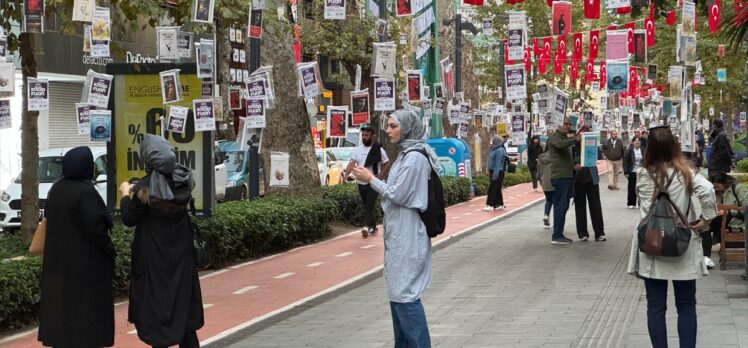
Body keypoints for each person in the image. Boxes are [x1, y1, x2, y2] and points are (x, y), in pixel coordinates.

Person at [351, 109, 436, 347]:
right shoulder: (405, 155)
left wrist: (371, 180)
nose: (387, 130)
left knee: (405, 296)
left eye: (393, 126)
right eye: (388, 126)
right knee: (397, 296)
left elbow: (398, 193)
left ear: (407, 128)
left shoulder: (415, 158)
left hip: (409, 235)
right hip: (399, 234)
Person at [628, 126, 717, 348]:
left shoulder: (643, 174)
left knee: (655, 306)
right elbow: (708, 191)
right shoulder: (687, 173)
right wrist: (706, 219)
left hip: (652, 242)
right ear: (675, 147)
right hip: (681, 242)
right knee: (686, 304)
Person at [119, 135, 204, 348]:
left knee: (157, 304)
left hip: (154, 258)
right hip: (181, 256)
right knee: (182, 300)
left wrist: (124, 195)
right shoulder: (183, 181)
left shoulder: (144, 189)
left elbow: (129, 218)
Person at [38, 147, 115, 348]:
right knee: (86, 321)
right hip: (86, 269)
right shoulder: (85, 191)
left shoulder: (56, 189)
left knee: (62, 318)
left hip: (58, 266)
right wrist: (110, 250)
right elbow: (96, 229)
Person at [344, 125, 391, 238]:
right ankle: (373, 227)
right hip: (361, 182)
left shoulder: (378, 149)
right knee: (367, 205)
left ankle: (366, 226)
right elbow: (352, 162)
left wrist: (381, 175)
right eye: (363, 135)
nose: (364, 137)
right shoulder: (358, 149)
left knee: (369, 205)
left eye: (367, 135)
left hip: (374, 182)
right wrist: (346, 175)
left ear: (372, 136)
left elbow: (387, 163)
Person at [547, 117, 581, 245]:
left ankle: (558, 234)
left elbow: (564, 156)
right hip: (560, 177)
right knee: (560, 206)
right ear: (558, 125)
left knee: (563, 206)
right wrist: (573, 140)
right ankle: (557, 235)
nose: (568, 126)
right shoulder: (556, 137)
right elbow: (560, 145)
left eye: (569, 124)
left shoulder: (563, 137)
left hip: (566, 175)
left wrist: (573, 166)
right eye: (565, 124)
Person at [705, 172, 748, 268]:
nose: (716, 189)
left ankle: (706, 258)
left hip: (737, 219)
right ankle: (706, 258)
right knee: (705, 226)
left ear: (724, 182)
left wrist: (728, 211)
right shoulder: (719, 192)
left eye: (717, 186)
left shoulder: (737, 188)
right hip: (724, 218)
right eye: (714, 187)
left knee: (706, 226)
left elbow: (746, 207)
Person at [572, 127, 606, 241]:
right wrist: (574, 166)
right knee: (580, 208)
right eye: (581, 134)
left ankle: (599, 233)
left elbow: (600, 155)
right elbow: (569, 162)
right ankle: (582, 233)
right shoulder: (573, 147)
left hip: (592, 180)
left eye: (586, 134)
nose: (583, 136)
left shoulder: (592, 145)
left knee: (595, 207)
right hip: (578, 181)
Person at [483, 136, 507, 211]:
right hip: (492, 171)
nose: (492, 141)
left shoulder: (500, 150)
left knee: (493, 188)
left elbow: (498, 163)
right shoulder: (493, 148)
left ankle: (490, 205)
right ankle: (499, 204)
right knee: (497, 188)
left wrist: (495, 174)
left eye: (493, 140)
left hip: (497, 171)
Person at [623, 136, 646, 208]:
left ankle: (641, 203)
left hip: (641, 171)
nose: (637, 142)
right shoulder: (629, 150)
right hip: (632, 171)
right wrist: (626, 172)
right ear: (633, 142)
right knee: (631, 187)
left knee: (642, 187)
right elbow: (625, 161)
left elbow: (647, 160)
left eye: (638, 141)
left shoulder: (643, 150)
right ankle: (631, 203)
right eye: (635, 141)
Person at [537, 150, 554, 226]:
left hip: (544, 182)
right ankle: (557, 220)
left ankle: (546, 215)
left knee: (548, 200)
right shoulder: (556, 157)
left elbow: (539, 171)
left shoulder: (541, 158)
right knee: (557, 202)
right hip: (554, 181)